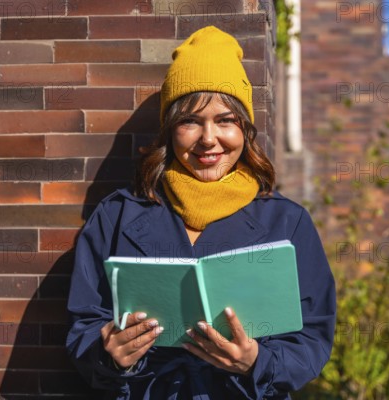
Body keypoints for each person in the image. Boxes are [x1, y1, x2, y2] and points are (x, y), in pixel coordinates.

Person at [66, 26, 336, 399]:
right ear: (170, 130)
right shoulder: (117, 216)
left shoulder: (287, 222)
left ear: (245, 129)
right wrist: (109, 354)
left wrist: (257, 361)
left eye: (225, 120)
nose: (209, 138)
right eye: (190, 121)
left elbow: (313, 337)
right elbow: (84, 323)